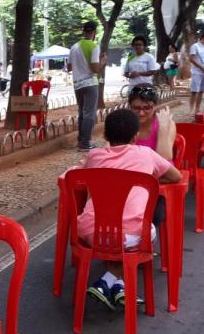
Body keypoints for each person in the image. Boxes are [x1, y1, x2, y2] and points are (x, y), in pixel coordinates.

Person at [78, 109, 182, 309]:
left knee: (115, 238)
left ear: (105, 136)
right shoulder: (147, 155)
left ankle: (116, 285)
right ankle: (108, 281)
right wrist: (146, 178)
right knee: (144, 230)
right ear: (135, 137)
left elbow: (83, 174)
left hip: (90, 232)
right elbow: (176, 176)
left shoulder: (94, 156)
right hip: (130, 234)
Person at [68, 20, 107, 151]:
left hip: (77, 84)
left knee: (82, 112)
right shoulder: (94, 46)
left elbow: (68, 67)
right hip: (90, 83)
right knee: (89, 113)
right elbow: (95, 69)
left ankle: (81, 140)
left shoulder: (74, 47)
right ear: (94, 32)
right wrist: (102, 62)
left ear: (83, 31)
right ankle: (85, 143)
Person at [129, 84, 176, 161]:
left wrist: (163, 128)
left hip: (159, 171)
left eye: (147, 108)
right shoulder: (125, 123)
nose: (141, 113)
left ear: (155, 106)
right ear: (130, 106)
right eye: (136, 108)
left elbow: (164, 158)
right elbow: (109, 149)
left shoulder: (167, 123)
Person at [188, 31, 204, 114]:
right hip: (196, 72)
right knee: (194, 91)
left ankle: (197, 109)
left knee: (201, 91)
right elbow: (192, 59)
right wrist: (202, 68)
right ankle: (191, 109)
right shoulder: (195, 46)